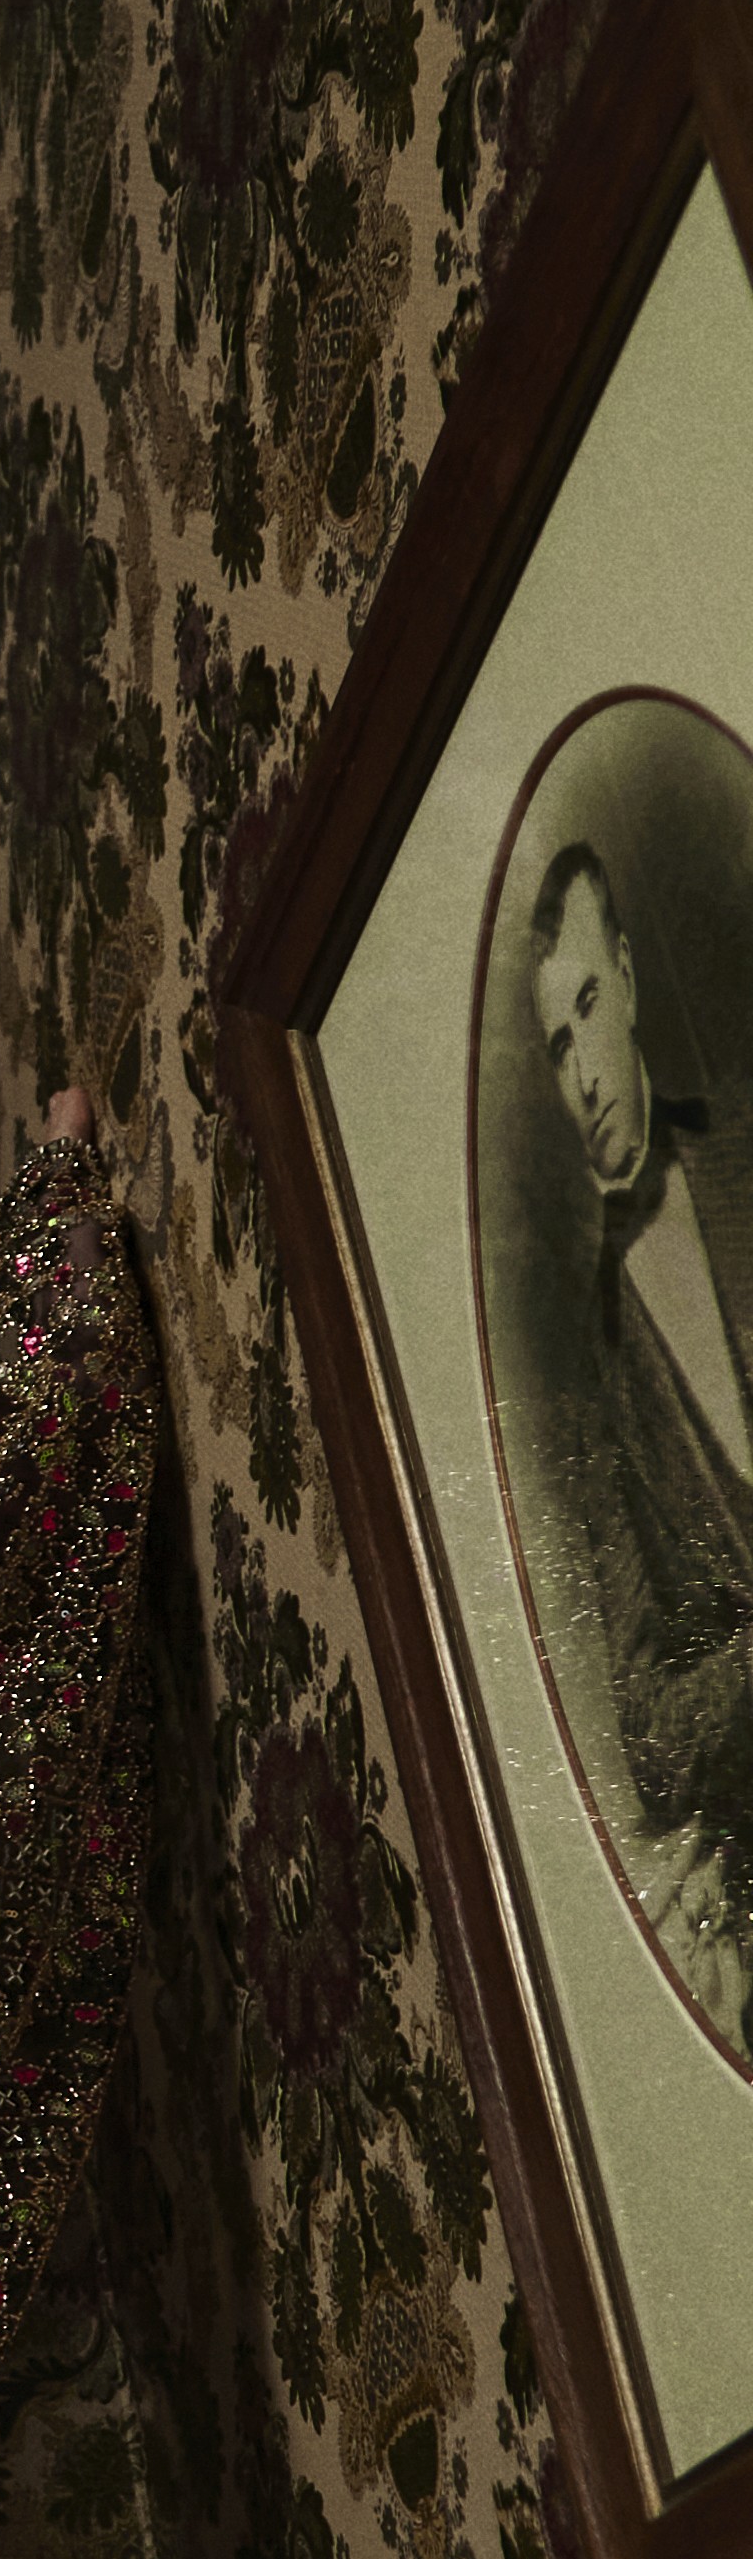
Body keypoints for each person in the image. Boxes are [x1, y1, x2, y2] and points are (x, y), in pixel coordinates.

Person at [522, 831, 753, 2046]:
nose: (585, 1077)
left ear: (627, 973)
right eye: (556, 1049)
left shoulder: (746, 1160)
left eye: (588, 1011)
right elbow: (652, 1738)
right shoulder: (580, 1368)